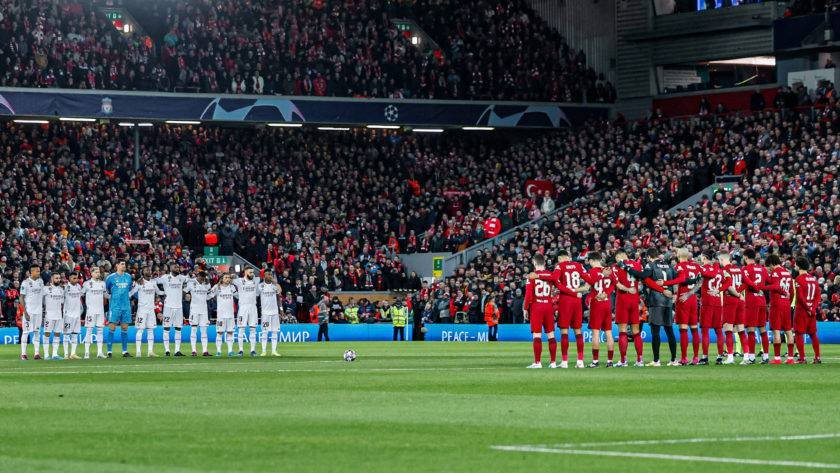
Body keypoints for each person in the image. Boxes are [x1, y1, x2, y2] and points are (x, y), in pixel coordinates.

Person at [536, 250, 590, 368]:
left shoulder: (560, 266)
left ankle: (565, 361)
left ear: (560, 258)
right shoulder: (578, 265)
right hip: (577, 300)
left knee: (564, 331)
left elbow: (554, 278)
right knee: (578, 331)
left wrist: (540, 275)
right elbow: (589, 279)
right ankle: (580, 361)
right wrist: (583, 288)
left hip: (565, 300)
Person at [624, 249, 677, 367]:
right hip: (668, 300)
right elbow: (677, 278)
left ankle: (656, 360)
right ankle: (674, 360)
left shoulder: (650, 264)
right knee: (669, 330)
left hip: (656, 300)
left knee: (655, 331)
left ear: (648, 257)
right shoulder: (668, 265)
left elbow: (643, 275)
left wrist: (628, 268)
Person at [662, 248, 702, 365]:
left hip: (683, 299)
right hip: (693, 299)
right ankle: (695, 358)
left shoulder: (679, 266)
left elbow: (681, 280)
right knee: (694, 329)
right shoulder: (696, 267)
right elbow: (700, 282)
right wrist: (691, 293)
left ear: (678, 255)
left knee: (683, 330)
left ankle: (684, 358)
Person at [524, 253, 558, 368]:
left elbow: (528, 295)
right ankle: (553, 362)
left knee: (537, 335)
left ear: (534, 262)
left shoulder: (532, 276)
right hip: (548, 306)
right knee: (551, 335)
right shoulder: (550, 275)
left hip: (537, 307)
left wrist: (525, 309)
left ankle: (538, 362)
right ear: (544, 263)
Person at [583, 252, 615, 367]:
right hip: (607, 303)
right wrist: (606, 294)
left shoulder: (591, 272)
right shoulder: (608, 270)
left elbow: (588, 286)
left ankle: (595, 361)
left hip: (596, 303)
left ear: (591, 261)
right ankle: (610, 361)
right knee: (609, 333)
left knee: (595, 333)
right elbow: (614, 285)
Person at [764, 254, 794, 364]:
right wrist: (788, 302)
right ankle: (790, 358)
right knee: (788, 330)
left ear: (772, 263)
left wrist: (763, 287)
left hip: (777, 304)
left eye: (769, 266)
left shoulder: (775, 273)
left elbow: (776, 286)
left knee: (776, 330)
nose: (770, 268)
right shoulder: (788, 273)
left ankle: (777, 358)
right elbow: (791, 292)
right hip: (786, 304)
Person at [698, 251, 727, 365]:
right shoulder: (720, 271)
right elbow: (727, 282)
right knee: (719, 330)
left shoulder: (705, 268)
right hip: (718, 303)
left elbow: (707, 274)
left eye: (701, 258)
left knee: (705, 330)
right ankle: (719, 357)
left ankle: (705, 357)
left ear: (705, 258)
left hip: (707, 303)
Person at [742, 249, 770, 364]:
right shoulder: (763, 269)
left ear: (745, 257)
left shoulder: (745, 269)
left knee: (751, 329)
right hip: (762, 300)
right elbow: (769, 281)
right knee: (763, 329)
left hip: (752, 301)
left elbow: (746, 281)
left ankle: (752, 357)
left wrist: (755, 287)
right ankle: (766, 356)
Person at [720, 252, 747, 365]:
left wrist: (736, 294)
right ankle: (746, 356)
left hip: (730, 300)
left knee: (728, 329)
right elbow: (746, 282)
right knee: (741, 329)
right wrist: (740, 293)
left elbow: (729, 286)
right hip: (740, 301)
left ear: (722, 260)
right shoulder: (738, 269)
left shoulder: (725, 270)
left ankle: (730, 357)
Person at [793, 257, 821, 364]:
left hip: (802, 310)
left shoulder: (799, 279)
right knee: (813, 334)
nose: (794, 266)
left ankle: (802, 358)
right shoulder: (813, 279)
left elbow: (800, 297)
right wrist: (812, 308)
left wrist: (807, 309)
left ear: (799, 266)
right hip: (812, 311)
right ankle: (817, 357)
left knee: (799, 333)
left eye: (795, 264)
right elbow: (818, 296)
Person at [156, 262, 188, 356]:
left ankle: (177, 350)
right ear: (170, 268)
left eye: (178, 267)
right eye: (175, 267)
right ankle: (167, 350)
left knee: (178, 328)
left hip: (179, 307)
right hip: (168, 307)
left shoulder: (181, 278)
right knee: (166, 328)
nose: (177, 268)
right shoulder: (165, 277)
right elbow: (155, 281)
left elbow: (191, 280)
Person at [131, 267, 162, 357]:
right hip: (142, 310)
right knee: (140, 330)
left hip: (151, 310)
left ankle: (150, 351)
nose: (149, 271)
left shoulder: (153, 282)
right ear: (142, 272)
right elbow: (131, 293)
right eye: (146, 270)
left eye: (149, 270)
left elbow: (159, 292)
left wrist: (169, 292)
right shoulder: (139, 283)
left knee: (150, 330)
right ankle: (138, 352)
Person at [105, 261, 134, 358]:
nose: (124, 266)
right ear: (116, 265)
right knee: (112, 327)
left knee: (125, 328)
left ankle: (124, 351)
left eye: (125, 264)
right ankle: (109, 351)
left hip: (126, 306)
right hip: (115, 306)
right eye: (122, 264)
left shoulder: (129, 277)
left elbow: (129, 289)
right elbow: (108, 290)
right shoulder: (110, 277)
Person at [233, 267, 260, 356]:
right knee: (241, 329)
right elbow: (228, 279)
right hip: (243, 308)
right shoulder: (239, 281)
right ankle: (240, 350)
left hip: (253, 307)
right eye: (250, 272)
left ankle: (252, 350)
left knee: (253, 329)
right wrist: (232, 275)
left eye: (253, 272)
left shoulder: (256, 280)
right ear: (245, 273)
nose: (252, 274)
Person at [19, 264, 44, 360]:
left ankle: (36, 354)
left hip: (38, 312)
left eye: (39, 271)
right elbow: (21, 297)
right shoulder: (25, 283)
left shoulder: (41, 281)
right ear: (31, 272)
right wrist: (25, 312)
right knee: (26, 332)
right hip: (29, 312)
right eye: (37, 271)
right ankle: (23, 354)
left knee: (37, 332)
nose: (39, 272)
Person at [186, 272, 213, 356]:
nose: (202, 278)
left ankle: (205, 351)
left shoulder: (206, 285)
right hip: (194, 310)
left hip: (204, 310)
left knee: (204, 330)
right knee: (194, 329)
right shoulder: (191, 283)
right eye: (201, 277)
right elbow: (184, 291)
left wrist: (208, 282)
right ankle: (193, 350)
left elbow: (209, 294)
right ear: (197, 276)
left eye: (204, 277)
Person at [82, 266, 106, 359]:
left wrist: (115, 295)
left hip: (100, 311)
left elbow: (105, 295)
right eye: (96, 272)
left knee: (100, 330)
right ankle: (86, 353)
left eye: (98, 272)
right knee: (89, 330)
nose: (98, 274)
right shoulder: (87, 284)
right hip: (91, 311)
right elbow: (81, 294)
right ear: (91, 273)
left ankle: (99, 352)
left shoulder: (102, 284)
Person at [212, 273, 238, 356]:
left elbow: (238, 296)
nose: (228, 279)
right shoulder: (217, 287)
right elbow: (209, 295)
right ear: (222, 278)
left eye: (229, 277)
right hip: (221, 314)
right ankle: (218, 351)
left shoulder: (232, 287)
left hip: (230, 314)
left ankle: (230, 351)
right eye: (226, 277)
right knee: (220, 332)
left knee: (230, 332)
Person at [259, 273, 283, 356]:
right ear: (264, 276)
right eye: (268, 275)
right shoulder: (261, 286)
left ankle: (274, 351)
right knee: (264, 332)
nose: (270, 276)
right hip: (265, 313)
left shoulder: (274, 286)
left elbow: (280, 291)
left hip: (274, 313)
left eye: (271, 275)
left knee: (275, 331)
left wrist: (281, 310)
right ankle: (264, 351)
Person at [43, 273, 65, 360]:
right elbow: (42, 301)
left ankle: (55, 354)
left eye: (59, 278)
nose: (58, 280)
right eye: (56, 278)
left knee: (57, 334)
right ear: (52, 279)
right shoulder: (46, 289)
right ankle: (46, 354)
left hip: (59, 315)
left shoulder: (61, 290)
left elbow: (62, 302)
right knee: (47, 334)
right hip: (49, 315)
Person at [62, 272, 83, 359]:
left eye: (77, 278)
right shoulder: (65, 287)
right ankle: (66, 354)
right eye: (74, 278)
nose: (76, 280)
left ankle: (73, 353)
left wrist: (81, 310)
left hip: (77, 314)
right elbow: (61, 299)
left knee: (75, 334)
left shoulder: (79, 287)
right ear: (69, 278)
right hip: (68, 315)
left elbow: (79, 299)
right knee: (66, 334)